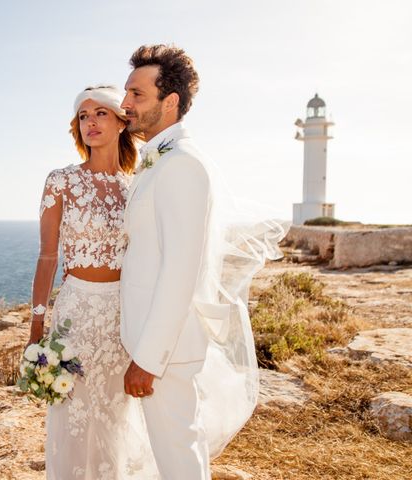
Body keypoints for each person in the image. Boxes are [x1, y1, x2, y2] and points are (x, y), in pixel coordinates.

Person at [119, 44, 288, 478]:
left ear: (169, 102)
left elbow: (181, 271)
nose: (125, 105)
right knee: (172, 451)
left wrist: (148, 359)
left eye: (137, 94)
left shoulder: (182, 166)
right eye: (126, 93)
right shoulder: (159, 161)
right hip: (154, 343)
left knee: (178, 456)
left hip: (165, 353)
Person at [27, 85, 159, 479]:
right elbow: (48, 257)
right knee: (73, 417)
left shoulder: (136, 185)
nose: (90, 123)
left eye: (100, 113)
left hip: (123, 315)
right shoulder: (61, 181)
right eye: (83, 116)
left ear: (121, 122)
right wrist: (36, 329)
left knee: (114, 417)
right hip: (76, 316)